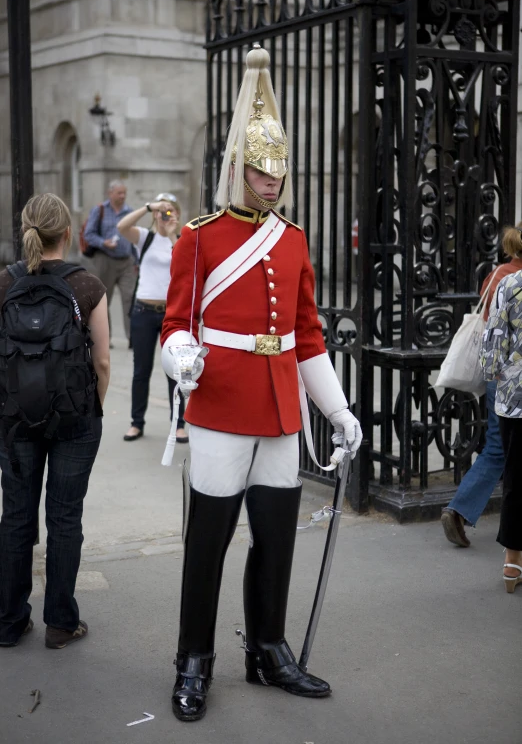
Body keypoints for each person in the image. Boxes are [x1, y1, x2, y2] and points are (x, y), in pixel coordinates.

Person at [160, 44, 362, 722]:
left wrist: (336, 410)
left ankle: (268, 649)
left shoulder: (295, 240)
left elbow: (308, 338)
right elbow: (175, 326)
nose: (272, 182)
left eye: (279, 172)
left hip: (280, 411)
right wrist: (183, 359)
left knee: (276, 538)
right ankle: (194, 659)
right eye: (261, 171)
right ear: (238, 170)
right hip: (220, 408)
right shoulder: (200, 236)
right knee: (208, 544)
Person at [0, 193, 110, 648]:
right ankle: (61, 623)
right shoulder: (88, 285)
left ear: (24, 229)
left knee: (16, 516)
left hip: (14, 420)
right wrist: (93, 408)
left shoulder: (4, 283)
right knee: (65, 517)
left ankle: (9, 620)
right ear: (67, 233)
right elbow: (102, 361)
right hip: (74, 420)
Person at [441, 225, 522, 547]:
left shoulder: (499, 273)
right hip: (514, 376)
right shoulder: (515, 279)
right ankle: (461, 509)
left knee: (497, 446)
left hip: (497, 371)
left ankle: (460, 509)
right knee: (501, 450)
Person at [117, 193, 187, 443]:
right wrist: (148, 207)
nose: (165, 214)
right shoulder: (145, 238)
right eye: (162, 210)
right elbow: (121, 226)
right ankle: (136, 423)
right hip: (143, 312)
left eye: (170, 210)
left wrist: (171, 232)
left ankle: (178, 424)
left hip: (171, 314)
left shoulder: (179, 240)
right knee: (141, 370)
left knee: (174, 371)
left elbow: (184, 262)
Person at [481, 253, 522, 593]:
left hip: (516, 396)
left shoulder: (509, 284)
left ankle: (513, 559)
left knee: (516, 479)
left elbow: (494, 345)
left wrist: (495, 374)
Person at [83, 180, 137, 343]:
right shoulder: (99, 210)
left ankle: (132, 338)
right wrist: (103, 242)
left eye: (124, 193)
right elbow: (88, 234)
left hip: (126, 261)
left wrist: (137, 261)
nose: (122, 196)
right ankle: (105, 338)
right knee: (103, 300)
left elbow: (134, 237)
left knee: (130, 298)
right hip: (105, 260)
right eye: (119, 193)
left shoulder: (130, 212)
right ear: (110, 193)